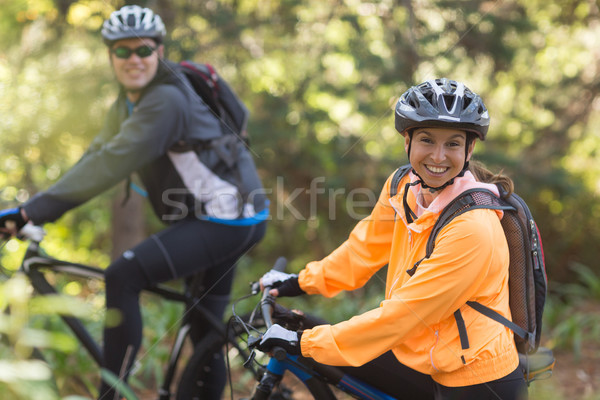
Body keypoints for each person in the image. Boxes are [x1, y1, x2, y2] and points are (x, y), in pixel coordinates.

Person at [0, 5, 268, 399]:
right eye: (122, 51)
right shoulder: (127, 103)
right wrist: (34, 209)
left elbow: (111, 163)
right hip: (229, 216)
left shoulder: (165, 102)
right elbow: (94, 157)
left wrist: (31, 212)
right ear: (110, 55)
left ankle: (113, 393)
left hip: (227, 220)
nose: (134, 59)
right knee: (204, 328)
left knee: (122, 276)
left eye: (143, 50)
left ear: (159, 50)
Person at [258, 78, 527, 400]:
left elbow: (405, 315)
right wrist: (300, 282)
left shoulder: (473, 228)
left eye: (453, 144)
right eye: (427, 140)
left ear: (469, 150)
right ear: (407, 141)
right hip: (423, 355)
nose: (438, 157)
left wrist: (307, 344)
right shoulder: (403, 187)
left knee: (317, 344)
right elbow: (363, 251)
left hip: (477, 380)